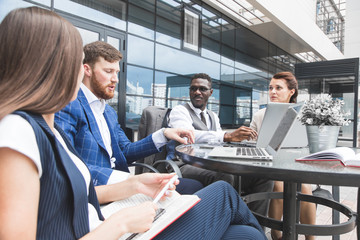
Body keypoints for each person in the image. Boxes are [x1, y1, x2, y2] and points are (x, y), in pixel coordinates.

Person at [0, 7, 268, 239]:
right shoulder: (19, 132)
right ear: (52, 66)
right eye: (76, 62)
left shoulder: (49, 128)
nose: (78, 70)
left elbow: (70, 193)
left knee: (244, 234)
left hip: (107, 222)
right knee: (223, 193)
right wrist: (122, 223)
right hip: (111, 229)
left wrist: (133, 185)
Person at [55, 41, 203, 194]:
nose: (115, 79)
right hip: (95, 194)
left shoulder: (108, 112)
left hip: (123, 185)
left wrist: (164, 134)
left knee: (194, 186)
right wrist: (129, 181)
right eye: (108, 71)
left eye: (117, 72)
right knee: (196, 189)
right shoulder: (68, 105)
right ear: (87, 69)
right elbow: (66, 164)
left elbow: (126, 151)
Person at [167, 73, 274, 218]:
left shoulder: (212, 115)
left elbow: (219, 142)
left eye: (202, 89)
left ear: (210, 93)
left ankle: (255, 228)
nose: (197, 92)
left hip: (210, 164)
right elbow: (188, 135)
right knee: (225, 174)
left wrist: (236, 143)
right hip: (184, 164)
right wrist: (227, 135)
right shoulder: (180, 110)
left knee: (263, 175)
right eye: (193, 88)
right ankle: (226, 223)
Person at [250, 72, 316, 240]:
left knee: (305, 188)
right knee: (278, 185)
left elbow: (310, 145)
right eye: (271, 88)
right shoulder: (260, 115)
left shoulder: (302, 115)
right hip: (268, 165)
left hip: (296, 164)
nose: (273, 92)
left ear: (291, 91)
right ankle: (276, 234)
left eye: (278, 88)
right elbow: (251, 143)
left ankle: (311, 238)